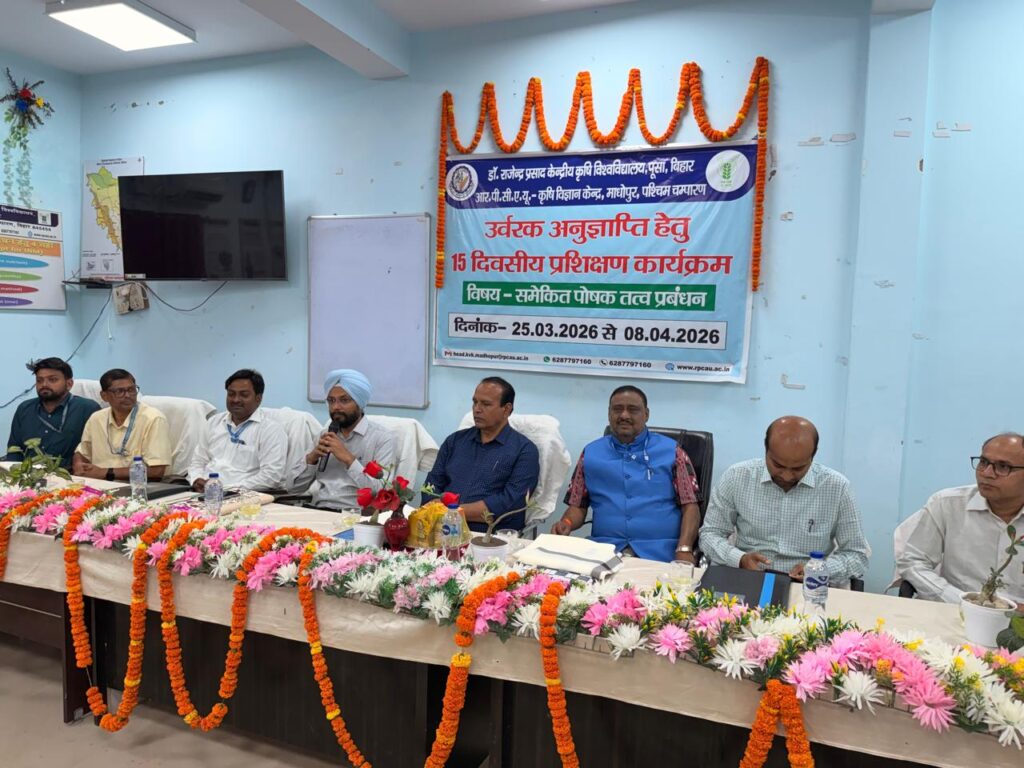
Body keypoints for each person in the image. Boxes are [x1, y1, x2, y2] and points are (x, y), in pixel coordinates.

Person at [699, 416, 868, 583]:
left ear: (813, 456)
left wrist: (819, 569)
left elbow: (857, 555)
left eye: (798, 468)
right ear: (766, 450)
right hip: (748, 577)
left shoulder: (837, 487)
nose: (787, 476)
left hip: (809, 585)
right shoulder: (736, 477)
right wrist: (739, 559)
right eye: (778, 465)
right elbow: (709, 534)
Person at [550, 386, 701, 563]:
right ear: (609, 414)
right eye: (617, 409)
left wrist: (684, 548)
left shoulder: (673, 452)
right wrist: (566, 523)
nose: (624, 415)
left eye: (633, 409)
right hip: (604, 550)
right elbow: (578, 506)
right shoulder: (590, 453)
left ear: (646, 414)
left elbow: (690, 506)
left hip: (661, 552)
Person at [896, 433, 1024, 605]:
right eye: (983, 462)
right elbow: (912, 561)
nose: (987, 473)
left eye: (1003, 467)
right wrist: (960, 600)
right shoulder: (947, 504)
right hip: (953, 608)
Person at [422, 377, 539, 533]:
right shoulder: (455, 441)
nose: (477, 409)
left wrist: (452, 512)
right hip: (440, 529)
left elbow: (510, 504)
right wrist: (440, 510)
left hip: (488, 536)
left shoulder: (524, 451)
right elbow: (430, 487)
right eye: (475, 402)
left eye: (486, 404)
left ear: (506, 409)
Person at [293, 369, 396, 510]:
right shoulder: (324, 435)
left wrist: (349, 459)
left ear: (360, 403)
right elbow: (293, 489)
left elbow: (381, 491)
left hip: (356, 515)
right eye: (331, 401)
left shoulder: (382, 439)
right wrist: (311, 459)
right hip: (319, 510)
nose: (335, 407)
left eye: (344, 400)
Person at [188, 369, 288, 492]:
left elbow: (270, 476)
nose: (235, 400)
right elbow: (198, 461)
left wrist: (227, 489)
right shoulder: (214, 422)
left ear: (258, 398)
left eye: (244, 395)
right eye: (231, 394)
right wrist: (196, 479)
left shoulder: (270, 430)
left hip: (243, 495)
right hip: (203, 491)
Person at [73, 368, 172, 481]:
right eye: (119, 391)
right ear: (104, 396)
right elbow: (82, 453)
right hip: (100, 484)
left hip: (138, 485)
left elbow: (156, 471)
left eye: (131, 390)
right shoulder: (96, 418)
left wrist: (106, 473)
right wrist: (78, 464)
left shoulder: (153, 419)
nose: (128, 395)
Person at [5, 357, 100, 469]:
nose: (44, 384)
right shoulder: (24, 408)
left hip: (69, 475)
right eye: (39, 380)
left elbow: (96, 452)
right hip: (27, 474)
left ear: (69, 384)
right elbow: (14, 450)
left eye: (53, 380)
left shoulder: (88, 409)